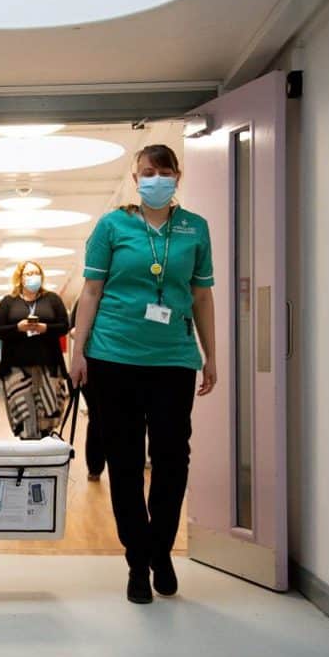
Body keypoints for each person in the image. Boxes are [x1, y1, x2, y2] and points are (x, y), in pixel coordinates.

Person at [68, 144, 217, 605]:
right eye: (147, 172)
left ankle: (161, 548)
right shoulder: (113, 226)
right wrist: (79, 352)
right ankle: (138, 559)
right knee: (126, 461)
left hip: (173, 357)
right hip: (113, 357)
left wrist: (211, 355)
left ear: (178, 176)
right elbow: (91, 291)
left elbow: (202, 297)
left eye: (164, 171)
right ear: (136, 178)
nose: (156, 178)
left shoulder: (195, 229)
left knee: (173, 459)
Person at [0, 261, 70, 439]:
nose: (32, 276)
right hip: (16, 368)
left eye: (36, 272)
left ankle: (46, 456)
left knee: (48, 415)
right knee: (25, 418)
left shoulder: (52, 299)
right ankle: (28, 456)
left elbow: (64, 326)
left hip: (49, 366)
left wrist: (45, 328)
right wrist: (18, 328)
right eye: (28, 273)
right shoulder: (8, 302)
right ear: (20, 277)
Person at [69, 298, 104, 482]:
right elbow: (73, 331)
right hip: (91, 366)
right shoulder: (84, 299)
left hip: (121, 364)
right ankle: (95, 467)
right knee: (97, 417)